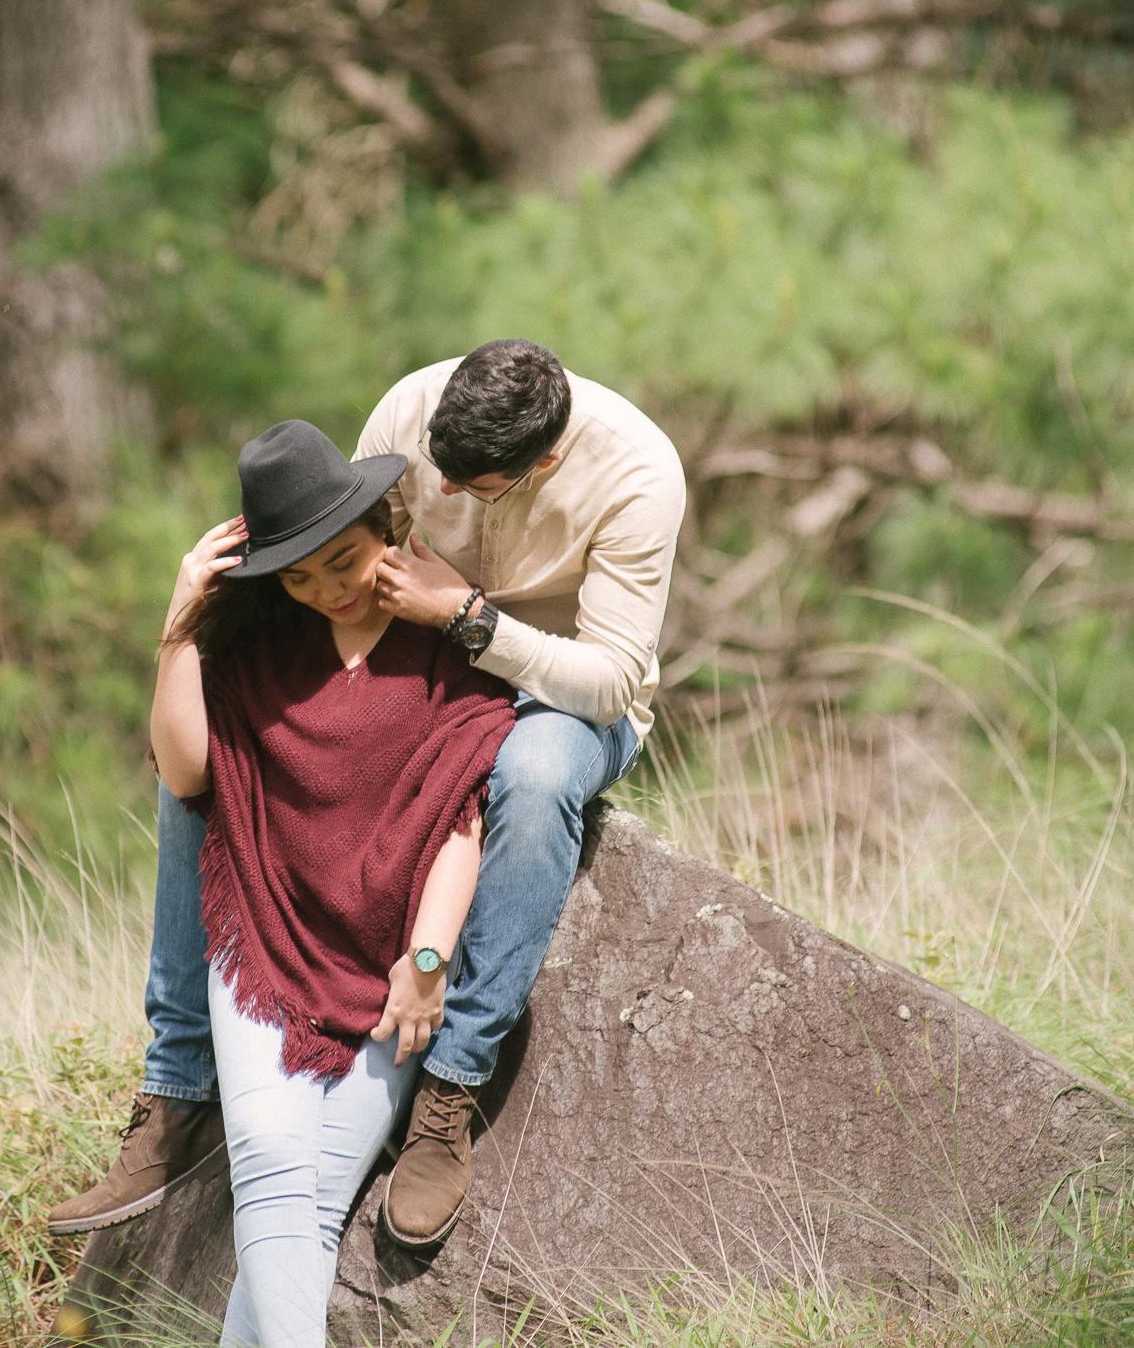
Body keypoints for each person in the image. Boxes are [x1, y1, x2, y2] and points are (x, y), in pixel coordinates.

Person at [46, 339, 686, 1248]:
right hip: (418, 668)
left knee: (532, 776)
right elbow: (331, 552)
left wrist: (467, 618)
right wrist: (199, 633)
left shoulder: (638, 473)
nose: (449, 499)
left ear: (543, 460)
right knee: (207, 755)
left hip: (557, 696)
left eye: (480, 487)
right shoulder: (413, 410)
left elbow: (611, 684)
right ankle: (178, 1093)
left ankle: (450, 1090)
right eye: (440, 478)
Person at [152, 419, 516, 1348]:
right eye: (301, 576)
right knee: (274, 1165)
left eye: (343, 561)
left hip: (388, 975)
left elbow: (460, 817)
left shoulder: (443, 644)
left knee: (307, 1208)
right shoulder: (260, 651)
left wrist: (428, 960)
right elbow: (187, 771)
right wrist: (178, 626)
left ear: (382, 530)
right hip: (266, 950)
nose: (328, 591)